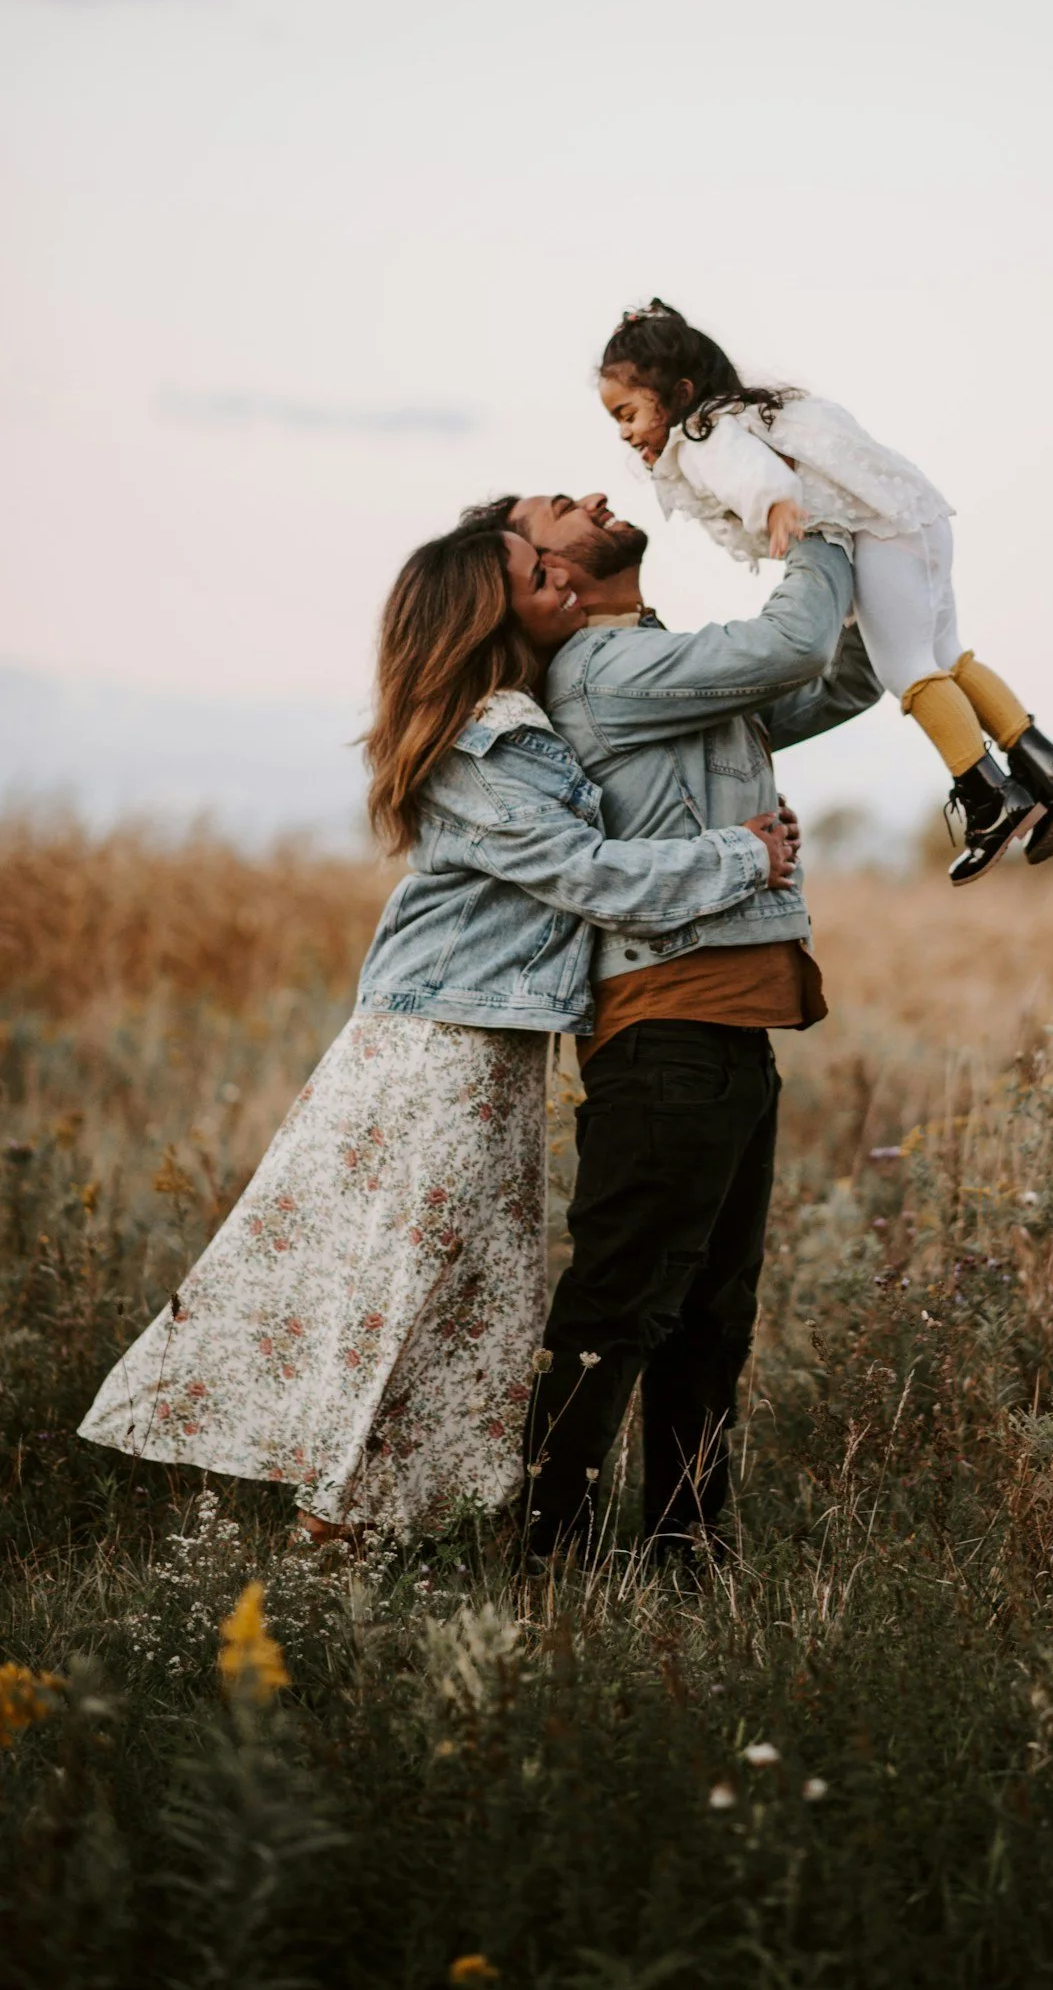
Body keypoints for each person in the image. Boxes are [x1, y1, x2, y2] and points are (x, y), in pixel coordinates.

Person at [78, 521, 794, 1542]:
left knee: (465, 1293)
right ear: (482, 611)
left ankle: (389, 1515)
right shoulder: (479, 740)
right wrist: (738, 858)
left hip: (492, 1051)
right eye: (535, 570)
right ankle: (341, 1523)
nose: (560, 573)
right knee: (410, 1283)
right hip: (439, 1049)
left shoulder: (537, 710)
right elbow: (585, 874)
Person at [464, 491, 879, 1565]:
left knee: (709, 1316)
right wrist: (820, 520)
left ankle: (685, 1553)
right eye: (555, 516)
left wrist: (902, 590)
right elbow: (792, 639)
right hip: (666, 1026)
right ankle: (548, 1557)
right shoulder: (604, 673)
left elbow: (838, 672)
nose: (593, 498)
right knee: (619, 1308)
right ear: (543, 575)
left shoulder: (658, 668)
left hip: (726, 1027)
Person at [594, 296, 1053, 884]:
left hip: (874, 535)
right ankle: (1047, 763)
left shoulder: (703, 437)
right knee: (947, 656)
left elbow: (748, 473)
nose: (626, 433)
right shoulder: (751, 411)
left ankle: (990, 797)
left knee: (907, 672)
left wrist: (776, 504)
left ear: (679, 394)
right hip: (914, 517)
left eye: (627, 414)